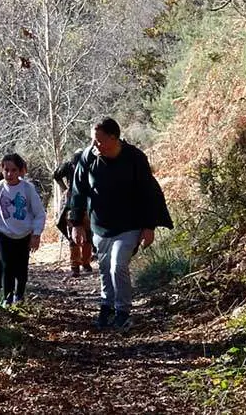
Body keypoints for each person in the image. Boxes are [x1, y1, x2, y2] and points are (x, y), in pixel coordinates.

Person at [69, 118, 174, 331]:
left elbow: (149, 192)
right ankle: (106, 306)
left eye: (99, 140)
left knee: (118, 265)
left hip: (129, 224)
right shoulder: (88, 157)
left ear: (114, 138)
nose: (94, 145)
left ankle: (123, 311)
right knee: (105, 268)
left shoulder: (134, 158)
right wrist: (76, 223)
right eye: (92, 140)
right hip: (100, 225)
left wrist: (149, 226)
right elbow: (78, 191)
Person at [0, 153, 46, 307]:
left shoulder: (27, 189)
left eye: (14, 170)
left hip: (24, 234)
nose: (10, 174)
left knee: (21, 268)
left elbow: (39, 213)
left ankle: (19, 295)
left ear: (20, 171)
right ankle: (7, 297)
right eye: (6, 170)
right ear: (1, 170)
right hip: (2, 233)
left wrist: (36, 234)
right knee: (6, 265)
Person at [54, 151, 94, 277]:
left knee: (88, 234)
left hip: (87, 201)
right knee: (73, 236)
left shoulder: (90, 165)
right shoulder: (68, 165)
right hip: (72, 202)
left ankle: (85, 262)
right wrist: (65, 189)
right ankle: (75, 265)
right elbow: (56, 175)